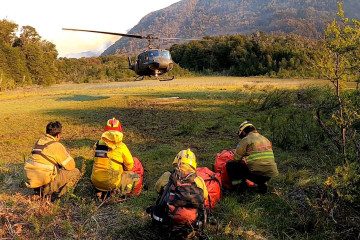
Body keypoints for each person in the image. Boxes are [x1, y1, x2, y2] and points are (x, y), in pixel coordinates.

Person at [149, 149, 208, 236]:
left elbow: (157, 189)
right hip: (193, 221)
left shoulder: (168, 175)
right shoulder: (199, 180)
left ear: (177, 160)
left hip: (167, 219)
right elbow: (205, 196)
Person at [24, 121, 81, 197]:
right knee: (76, 172)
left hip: (32, 182)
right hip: (46, 184)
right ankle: (60, 196)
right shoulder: (56, 145)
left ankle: (39, 193)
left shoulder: (39, 141)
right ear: (58, 135)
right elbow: (71, 166)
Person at [91, 117, 140, 198]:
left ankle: (99, 191)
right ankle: (117, 193)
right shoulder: (121, 147)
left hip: (95, 182)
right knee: (135, 177)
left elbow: (94, 159)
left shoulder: (97, 144)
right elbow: (130, 165)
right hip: (112, 184)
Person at [226, 121, 279, 193]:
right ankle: (262, 185)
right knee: (258, 167)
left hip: (257, 174)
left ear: (244, 132)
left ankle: (238, 188)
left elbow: (236, 159)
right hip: (269, 174)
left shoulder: (246, 140)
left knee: (231, 165)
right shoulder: (265, 139)